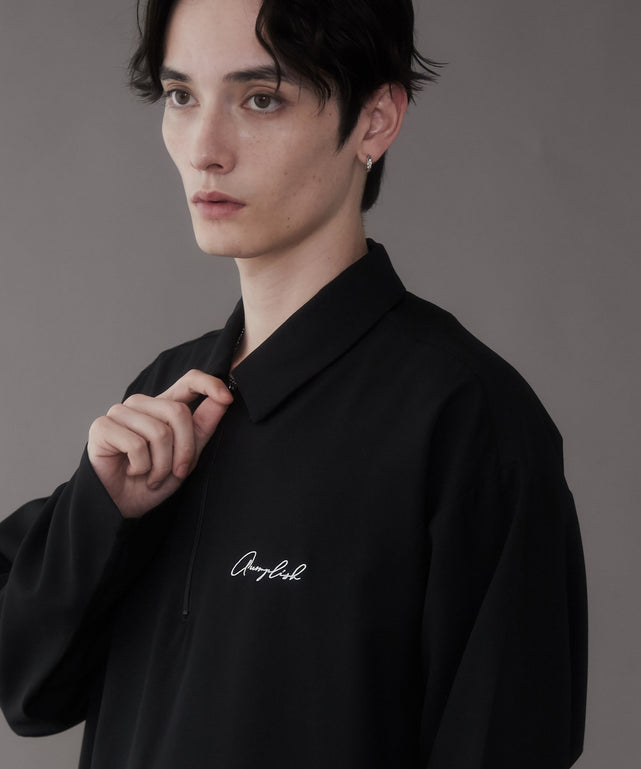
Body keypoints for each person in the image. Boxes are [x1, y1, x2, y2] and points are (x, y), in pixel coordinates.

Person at [0, 0, 587, 767]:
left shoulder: (467, 420)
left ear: (374, 120)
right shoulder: (165, 395)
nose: (204, 150)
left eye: (260, 99)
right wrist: (98, 515)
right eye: (181, 95)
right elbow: (29, 690)